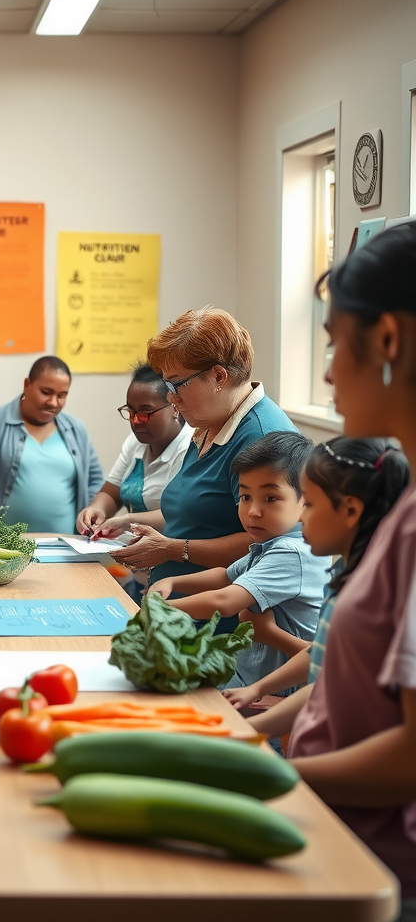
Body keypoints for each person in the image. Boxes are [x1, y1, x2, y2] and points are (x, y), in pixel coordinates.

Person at [284, 223, 416, 915]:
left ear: (389, 340)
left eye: (335, 343)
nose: (329, 371)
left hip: (384, 873)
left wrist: (269, 775)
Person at [223, 437, 409, 733]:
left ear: (350, 511)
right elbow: (323, 665)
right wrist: (256, 699)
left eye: (308, 503)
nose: (300, 515)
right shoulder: (341, 576)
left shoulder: (370, 597)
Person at [108, 308, 297, 592]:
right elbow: (197, 512)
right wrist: (130, 521)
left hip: (220, 620)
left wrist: (173, 549)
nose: (171, 397)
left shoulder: (262, 437)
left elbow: (267, 542)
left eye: (176, 384)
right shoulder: (209, 424)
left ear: (219, 377)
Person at [147, 432, 331, 691]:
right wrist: (173, 580)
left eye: (270, 498)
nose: (253, 511)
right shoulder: (271, 543)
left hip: (276, 688)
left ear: (306, 502)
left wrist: (162, 610)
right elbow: (226, 576)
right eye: (245, 497)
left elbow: (225, 601)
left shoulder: (293, 552)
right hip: (247, 674)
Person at [0, 356, 103, 533]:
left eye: (61, 395)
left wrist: (87, 513)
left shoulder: (76, 429)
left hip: (65, 546)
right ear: (27, 384)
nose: (53, 402)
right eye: (46, 392)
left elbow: (95, 478)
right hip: (0, 548)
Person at [76, 362, 193, 535]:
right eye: (131, 412)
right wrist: (96, 510)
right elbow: (110, 494)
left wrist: (127, 521)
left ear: (175, 407)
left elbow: (180, 515)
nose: (136, 421)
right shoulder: (135, 443)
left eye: (146, 413)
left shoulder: (191, 449)